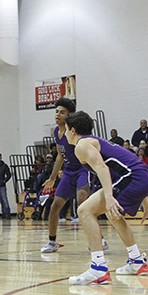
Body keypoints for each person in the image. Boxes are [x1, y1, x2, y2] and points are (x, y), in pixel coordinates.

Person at [63, 111, 148, 285]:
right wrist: (146, 205)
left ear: (72, 130)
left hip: (134, 178)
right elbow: (131, 167)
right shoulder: (95, 141)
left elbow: (102, 168)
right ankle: (136, 261)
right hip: (142, 177)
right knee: (113, 213)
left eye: (65, 130)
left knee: (84, 210)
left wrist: (108, 196)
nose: (64, 134)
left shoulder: (82, 145)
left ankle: (98, 268)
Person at [41, 98, 106, 253]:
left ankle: (99, 240)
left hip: (84, 169)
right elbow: (59, 155)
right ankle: (52, 242)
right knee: (55, 206)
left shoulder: (75, 132)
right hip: (69, 172)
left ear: (69, 115)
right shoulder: (57, 132)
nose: (57, 114)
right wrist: (52, 177)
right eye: (56, 111)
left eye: (62, 112)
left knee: (83, 202)